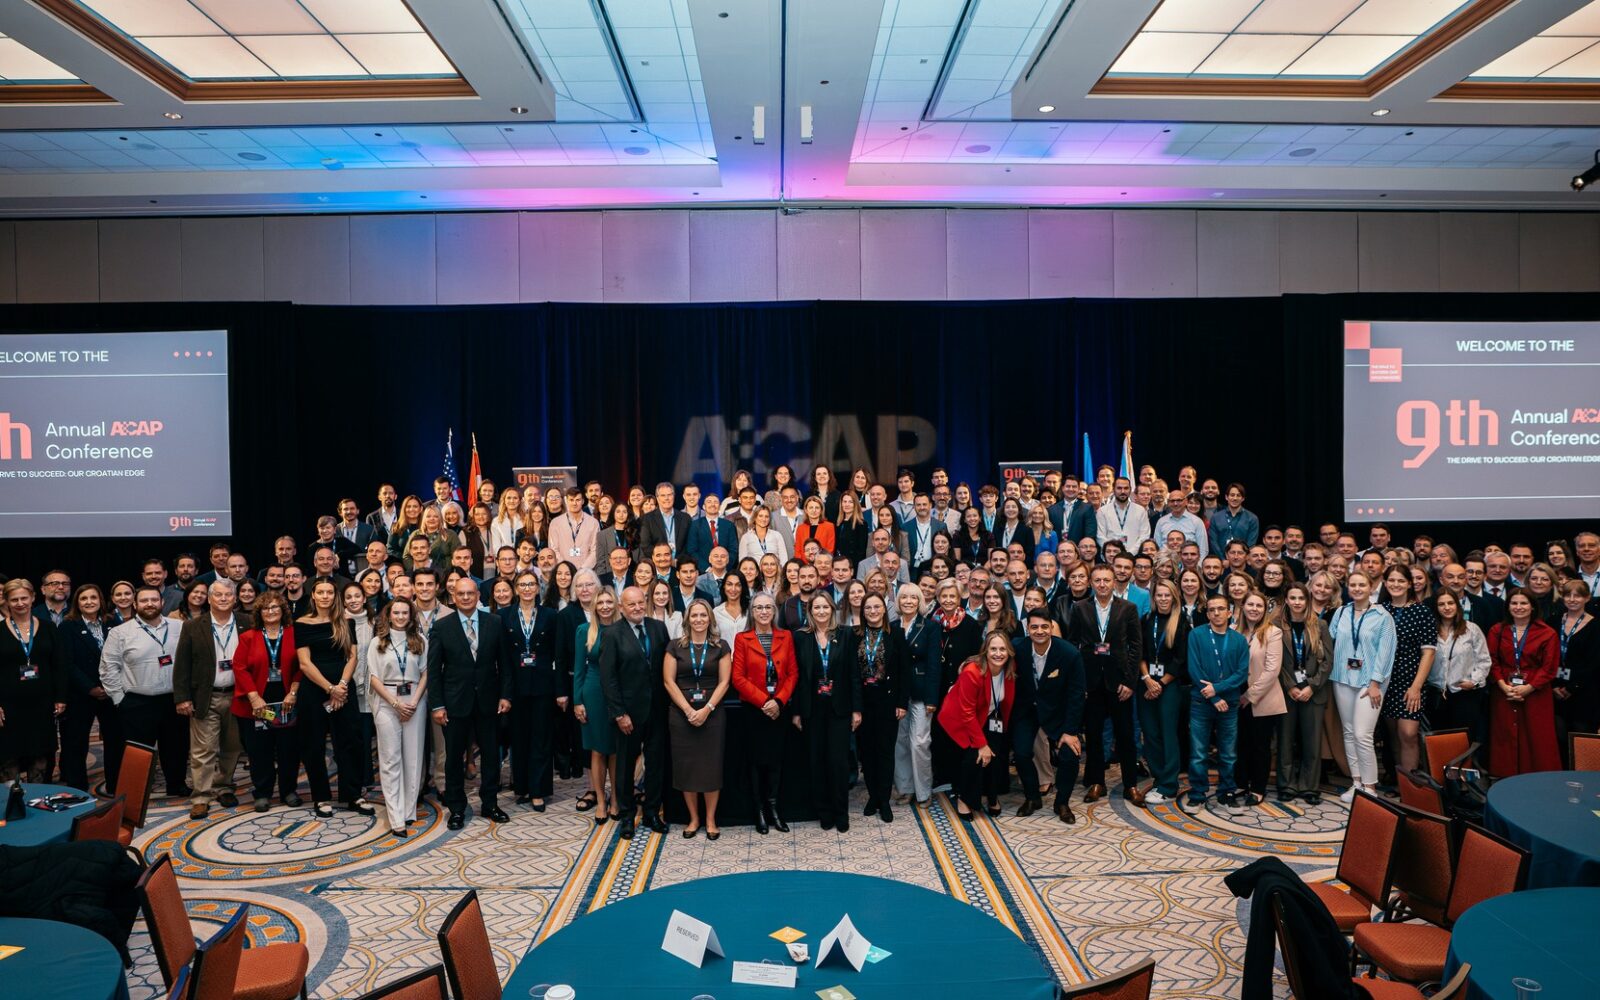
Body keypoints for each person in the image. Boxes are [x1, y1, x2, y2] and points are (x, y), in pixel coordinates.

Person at [428, 576, 515, 829]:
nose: (466, 597)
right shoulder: (441, 626)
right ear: (453, 597)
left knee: (491, 755)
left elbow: (505, 664)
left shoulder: (494, 622)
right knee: (453, 758)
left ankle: (490, 804)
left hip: (489, 701)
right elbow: (434, 670)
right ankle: (456, 808)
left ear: (478, 596)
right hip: (454, 703)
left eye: (470, 593)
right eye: (461, 594)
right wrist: (437, 705)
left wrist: (506, 695)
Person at [1065, 566, 1145, 805]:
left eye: (1106, 580)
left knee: (1125, 735)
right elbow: (1072, 645)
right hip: (1091, 683)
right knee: (1094, 735)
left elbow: (1136, 646)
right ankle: (1097, 782)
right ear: (1091, 582)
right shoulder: (1080, 608)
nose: (1102, 584)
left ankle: (1130, 785)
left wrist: (1130, 682)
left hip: (1119, 683)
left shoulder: (1128, 608)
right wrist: (1079, 682)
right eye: (1098, 580)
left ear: (1114, 582)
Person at [100, 584, 190, 796]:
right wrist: (119, 699)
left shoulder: (179, 627)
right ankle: (136, 792)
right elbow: (108, 668)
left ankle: (176, 785)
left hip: (174, 700)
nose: (149, 604)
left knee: (176, 747)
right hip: (138, 702)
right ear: (135, 604)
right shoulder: (120, 632)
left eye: (154, 600)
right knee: (138, 752)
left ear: (162, 602)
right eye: (144, 600)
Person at [295, 578, 373, 818]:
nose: (325, 596)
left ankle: (353, 795)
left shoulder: (345, 621)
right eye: (320, 592)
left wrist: (341, 686)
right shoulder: (302, 623)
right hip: (314, 691)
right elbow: (304, 663)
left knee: (350, 743)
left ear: (335, 596)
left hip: (343, 688)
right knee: (314, 745)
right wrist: (330, 689)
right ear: (313, 595)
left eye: (329, 592)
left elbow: (352, 657)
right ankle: (321, 797)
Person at [599, 586, 672, 839]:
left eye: (641, 603)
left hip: (658, 710)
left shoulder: (658, 628)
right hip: (628, 714)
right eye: (631, 604)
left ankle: (652, 812)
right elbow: (608, 679)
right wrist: (619, 713)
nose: (638, 608)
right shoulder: (612, 634)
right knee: (625, 767)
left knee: (656, 764)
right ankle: (627, 816)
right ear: (621, 607)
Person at [173, 579, 246, 819]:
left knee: (232, 747)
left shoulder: (247, 623)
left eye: (228, 595)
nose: (223, 599)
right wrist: (182, 698)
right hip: (206, 697)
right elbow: (182, 665)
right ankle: (201, 797)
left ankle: (224, 786)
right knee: (203, 750)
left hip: (238, 696)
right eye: (218, 595)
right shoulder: (193, 626)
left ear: (235, 599)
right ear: (210, 598)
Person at [663, 599, 732, 839]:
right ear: (687, 619)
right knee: (687, 768)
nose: (699, 619)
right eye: (694, 615)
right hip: (681, 715)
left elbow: (725, 682)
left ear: (710, 619)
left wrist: (706, 709)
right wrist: (688, 710)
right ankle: (693, 819)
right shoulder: (674, 646)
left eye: (703, 615)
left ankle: (711, 819)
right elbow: (668, 681)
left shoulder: (721, 646)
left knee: (711, 768)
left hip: (712, 715)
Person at [792, 592, 860, 832]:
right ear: (810, 611)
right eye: (816, 608)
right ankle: (824, 812)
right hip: (811, 709)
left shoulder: (846, 634)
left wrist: (857, 709)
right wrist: (797, 711)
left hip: (839, 708)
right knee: (817, 761)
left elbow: (854, 674)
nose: (821, 611)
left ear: (832, 609)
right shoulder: (801, 637)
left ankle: (841, 812)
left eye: (825, 607)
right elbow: (797, 677)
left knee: (838, 762)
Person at [730, 592, 797, 834]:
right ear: (752, 612)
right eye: (759, 608)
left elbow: (792, 673)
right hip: (754, 710)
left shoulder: (785, 636)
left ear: (774, 611)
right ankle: (759, 810)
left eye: (768, 607)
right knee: (756, 763)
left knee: (776, 762)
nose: (764, 612)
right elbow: (738, 677)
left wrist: (778, 701)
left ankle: (774, 808)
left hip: (779, 710)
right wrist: (763, 701)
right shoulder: (742, 638)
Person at [1327, 570, 1396, 802]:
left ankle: (1370, 788)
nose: (1357, 589)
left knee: (1362, 734)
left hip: (1370, 683)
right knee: (1348, 732)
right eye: (1353, 585)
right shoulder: (1341, 612)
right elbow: (1330, 640)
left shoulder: (1383, 616)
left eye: (1362, 585)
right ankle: (1356, 784)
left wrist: (1376, 683)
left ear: (1371, 588)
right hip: (1342, 678)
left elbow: (1386, 653)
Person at [1012, 609, 1086, 822]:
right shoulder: (1017, 647)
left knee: (1070, 755)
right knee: (1021, 753)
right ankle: (1032, 797)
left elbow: (1076, 695)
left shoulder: (1069, 653)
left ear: (1051, 628)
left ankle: (1062, 802)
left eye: (1044, 627)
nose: (1039, 631)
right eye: (1034, 627)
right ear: (1027, 629)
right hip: (1028, 711)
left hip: (1059, 712)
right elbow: (991, 655)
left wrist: (1070, 731)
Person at [232, 591, 301, 811]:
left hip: (286, 703)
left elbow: (303, 665)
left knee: (289, 749)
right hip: (258, 705)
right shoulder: (248, 637)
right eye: (265, 608)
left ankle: (288, 790)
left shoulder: (294, 633)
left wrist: (293, 691)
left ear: (283, 610)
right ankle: (262, 793)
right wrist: (254, 697)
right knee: (259, 751)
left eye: (274, 607)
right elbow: (239, 668)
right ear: (259, 613)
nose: (270, 611)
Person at [938, 632, 1016, 820]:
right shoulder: (972, 672)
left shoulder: (1009, 669)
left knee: (996, 754)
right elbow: (967, 712)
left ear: (1009, 652)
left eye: (1002, 649)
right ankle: (964, 799)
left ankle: (991, 796)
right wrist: (981, 745)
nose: (998, 654)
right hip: (960, 719)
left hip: (988, 715)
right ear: (985, 651)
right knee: (974, 756)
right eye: (993, 649)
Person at [366, 598, 427, 836]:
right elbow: (373, 678)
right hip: (387, 700)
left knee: (413, 758)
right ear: (388, 616)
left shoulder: (420, 640)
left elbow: (426, 673)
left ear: (411, 616)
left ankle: (408, 811)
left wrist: (414, 701)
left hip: (414, 700)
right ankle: (395, 817)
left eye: (405, 613)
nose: (401, 617)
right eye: (396, 613)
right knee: (390, 759)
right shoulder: (377, 642)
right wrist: (395, 703)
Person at [501, 570, 559, 810]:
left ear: (537, 588)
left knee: (541, 738)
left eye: (531, 584)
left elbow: (557, 652)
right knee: (519, 738)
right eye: (522, 585)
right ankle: (522, 787)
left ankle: (538, 790)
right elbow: (502, 656)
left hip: (542, 685)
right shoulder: (503, 616)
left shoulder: (550, 615)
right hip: (515, 685)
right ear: (516, 589)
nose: (526, 589)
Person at [1487, 591, 1561, 776]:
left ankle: (1539, 780)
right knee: (1505, 735)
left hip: (1536, 692)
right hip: (1504, 691)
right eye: (1514, 603)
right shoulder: (1497, 630)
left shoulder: (1547, 633)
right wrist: (1503, 686)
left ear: (1532, 606)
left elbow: (1549, 667)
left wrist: (1528, 688)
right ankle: (1505, 778)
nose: (1518, 607)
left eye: (1524, 603)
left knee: (1537, 737)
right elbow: (1492, 661)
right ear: (1508, 607)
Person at [57, 584, 123, 793]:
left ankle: (115, 784)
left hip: (111, 691)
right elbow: (67, 663)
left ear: (100, 600)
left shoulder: (112, 622)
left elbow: (123, 655)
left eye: (93, 597)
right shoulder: (68, 626)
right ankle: (77, 789)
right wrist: (90, 688)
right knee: (76, 743)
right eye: (83, 598)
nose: (89, 602)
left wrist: (110, 685)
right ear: (77, 603)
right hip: (81, 693)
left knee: (115, 741)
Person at [1185, 595, 1249, 808]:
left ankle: (1227, 791)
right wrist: (1214, 696)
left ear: (1229, 612)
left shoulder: (1239, 640)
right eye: (1212, 609)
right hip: (1201, 703)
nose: (1216, 613)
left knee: (1228, 753)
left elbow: (1241, 673)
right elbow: (1194, 669)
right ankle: (1197, 792)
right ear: (1207, 614)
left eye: (1221, 609)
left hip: (1229, 704)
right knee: (1198, 752)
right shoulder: (1196, 635)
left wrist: (1217, 689)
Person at [0, 580, 67, 781]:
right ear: (7, 601)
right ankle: (11, 799)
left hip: (42, 705)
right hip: (8, 707)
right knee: (8, 758)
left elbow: (59, 665)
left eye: (24, 598)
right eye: (15, 599)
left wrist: (61, 697)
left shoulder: (49, 628)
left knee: (41, 757)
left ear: (33, 598)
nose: (20, 603)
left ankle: (39, 797)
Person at [1275, 584, 1332, 804]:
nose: (1297, 602)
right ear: (1286, 600)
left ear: (1307, 601)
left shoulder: (1320, 625)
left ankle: (1309, 786)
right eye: (1293, 598)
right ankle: (1287, 784)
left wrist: (1312, 686)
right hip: (1286, 691)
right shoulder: (1276, 625)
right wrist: (1290, 686)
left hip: (1313, 692)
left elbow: (1328, 661)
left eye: (1301, 598)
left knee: (1312, 742)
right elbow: (1275, 661)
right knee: (1285, 740)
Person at [1378, 566, 1436, 778]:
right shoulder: (1379, 610)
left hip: (1411, 681)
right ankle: (1399, 781)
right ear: (1385, 583)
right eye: (1392, 580)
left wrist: (1416, 687)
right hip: (1385, 681)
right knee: (1393, 734)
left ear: (1409, 584)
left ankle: (1411, 785)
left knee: (1408, 733)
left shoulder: (1422, 612)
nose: (1396, 584)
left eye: (1401, 581)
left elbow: (1429, 653)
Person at [1138, 579, 1190, 805]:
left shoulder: (1182, 622)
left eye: (1167, 595)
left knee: (1168, 734)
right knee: (1150, 733)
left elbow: (1181, 659)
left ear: (1174, 597)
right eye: (1159, 595)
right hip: (1146, 683)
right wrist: (1148, 680)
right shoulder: (1146, 620)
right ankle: (1159, 779)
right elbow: (1139, 652)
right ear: (1154, 597)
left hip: (1170, 686)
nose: (1163, 599)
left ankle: (1169, 786)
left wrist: (1160, 684)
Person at [573, 588, 621, 824]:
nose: (604, 606)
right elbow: (578, 669)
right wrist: (577, 701)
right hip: (593, 693)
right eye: (600, 602)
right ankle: (601, 801)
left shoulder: (623, 629)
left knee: (615, 749)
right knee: (598, 749)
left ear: (616, 604)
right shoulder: (584, 630)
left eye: (609, 602)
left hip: (618, 693)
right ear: (594, 606)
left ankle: (616, 800)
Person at [893, 584, 942, 806]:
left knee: (919, 743)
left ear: (920, 601)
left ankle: (923, 792)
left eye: (913, 597)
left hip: (921, 692)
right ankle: (906, 789)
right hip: (898, 694)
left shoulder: (930, 627)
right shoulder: (893, 626)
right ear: (898, 601)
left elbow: (934, 665)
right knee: (900, 742)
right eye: (904, 597)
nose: (908, 601)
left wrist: (932, 698)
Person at [1234, 593, 1284, 805]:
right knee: (1240, 743)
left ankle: (1257, 788)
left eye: (1259, 606)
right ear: (1243, 607)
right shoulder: (1235, 630)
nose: (1254, 609)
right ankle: (1240, 783)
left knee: (1260, 746)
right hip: (1236, 695)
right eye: (1250, 604)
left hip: (1261, 697)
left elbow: (1272, 671)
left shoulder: (1273, 632)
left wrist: (1249, 695)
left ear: (1265, 610)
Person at [1427, 590, 1491, 748]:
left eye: (1450, 603)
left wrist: (1474, 681)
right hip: (1436, 694)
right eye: (1441, 604)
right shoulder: (1429, 630)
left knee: (1463, 742)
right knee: (1440, 742)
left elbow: (1484, 660)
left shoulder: (1471, 629)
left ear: (1457, 605)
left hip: (1464, 693)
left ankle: (1464, 765)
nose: (1447, 607)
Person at [1552, 580, 1598, 762]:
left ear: (1587, 598)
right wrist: (1554, 686)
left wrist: (1572, 687)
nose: (1572, 599)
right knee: (1559, 736)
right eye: (1568, 595)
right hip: (1556, 689)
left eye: (1577, 595)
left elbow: (1594, 664)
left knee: (1582, 737)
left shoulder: (1596, 626)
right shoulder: (1554, 620)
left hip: (1584, 692)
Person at [550, 487, 600, 571]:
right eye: (571, 500)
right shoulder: (555, 523)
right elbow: (553, 549)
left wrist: (583, 569)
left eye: (578, 500)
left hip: (586, 572)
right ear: (566, 501)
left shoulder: (593, 523)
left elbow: (595, 550)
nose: (574, 503)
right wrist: (566, 569)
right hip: (563, 572)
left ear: (583, 501)